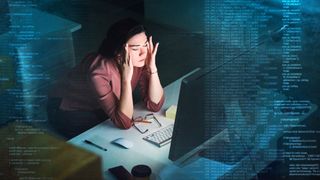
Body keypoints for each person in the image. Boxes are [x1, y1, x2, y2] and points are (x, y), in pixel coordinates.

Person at [47, 18, 165, 139]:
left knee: (126, 118)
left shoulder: (139, 60)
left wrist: (152, 68)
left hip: (98, 105)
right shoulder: (98, 71)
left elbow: (155, 105)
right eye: (135, 48)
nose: (143, 53)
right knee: (108, 134)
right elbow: (124, 123)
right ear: (118, 51)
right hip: (68, 109)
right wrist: (125, 79)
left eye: (145, 45)